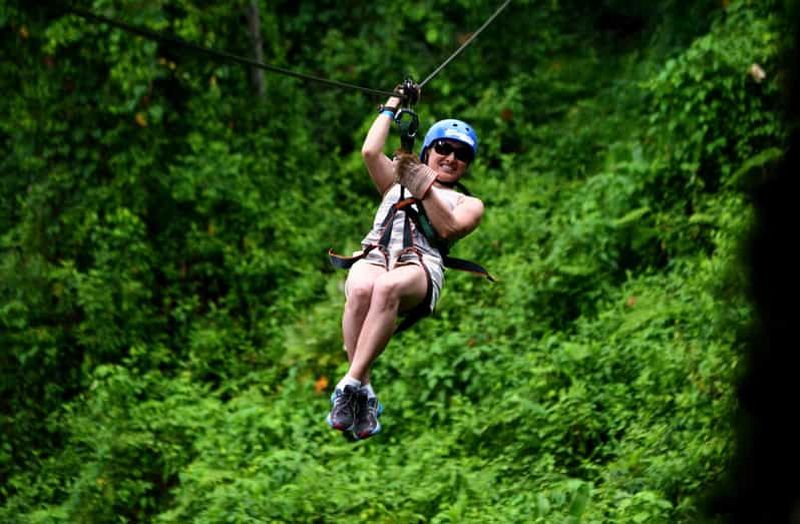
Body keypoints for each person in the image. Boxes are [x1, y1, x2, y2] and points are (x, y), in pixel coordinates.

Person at [326, 89, 485, 440]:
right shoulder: (394, 182)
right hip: (375, 255)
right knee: (363, 286)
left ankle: (351, 383)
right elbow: (369, 151)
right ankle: (362, 390)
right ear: (428, 150)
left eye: (461, 154)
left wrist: (422, 184)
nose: (450, 158)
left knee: (387, 287)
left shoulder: (468, 202)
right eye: (443, 148)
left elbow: (449, 228)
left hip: (421, 266)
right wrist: (393, 103)